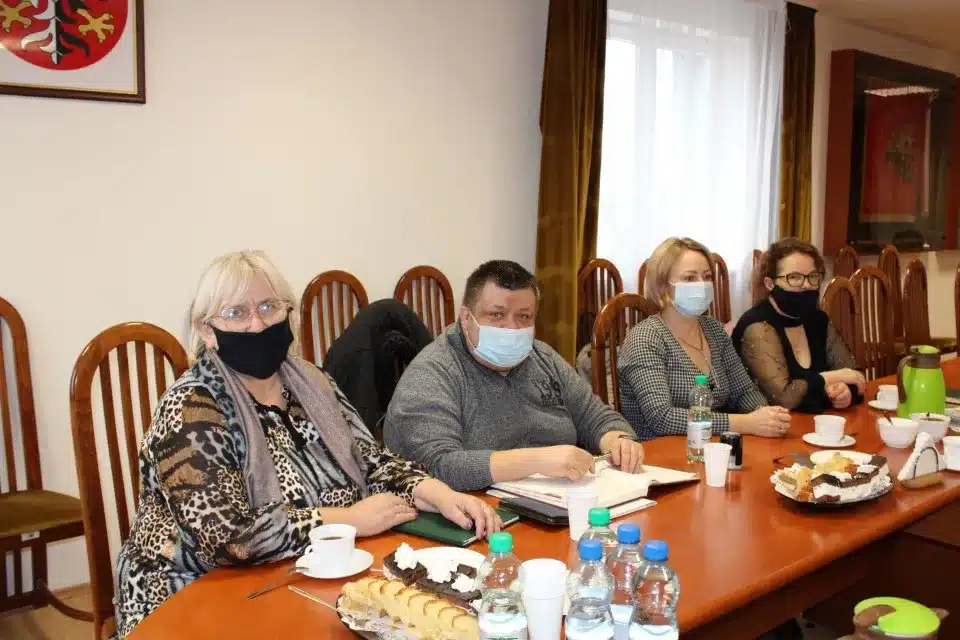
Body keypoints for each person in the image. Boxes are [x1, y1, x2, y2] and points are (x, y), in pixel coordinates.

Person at [113, 251, 499, 638]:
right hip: (190, 595)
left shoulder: (312, 383)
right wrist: (347, 519)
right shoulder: (192, 409)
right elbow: (226, 537)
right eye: (236, 313)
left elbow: (372, 462)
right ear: (207, 330)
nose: (256, 324)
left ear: (288, 312)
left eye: (268, 307)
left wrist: (436, 493)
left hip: (309, 575)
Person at [383, 260, 644, 492]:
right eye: (496, 315)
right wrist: (537, 461)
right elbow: (436, 466)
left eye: (524, 317)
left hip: (562, 497)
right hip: (473, 510)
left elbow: (594, 415)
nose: (511, 327)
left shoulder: (542, 356)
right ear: (466, 318)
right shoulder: (433, 373)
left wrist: (617, 440)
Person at [618, 237, 791, 440]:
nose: (702, 285)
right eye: (690, 278)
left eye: (707, 276)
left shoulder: (714, 330)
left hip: (711, 446)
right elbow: (662, 417)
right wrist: (746, 423)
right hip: (658, 451)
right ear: (663, 286)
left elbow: (744, 391)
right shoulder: (645, 338)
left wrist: (765, 414)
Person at [732, 238, 865, 412]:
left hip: (817, 422)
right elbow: (784, 398)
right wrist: (832, 378)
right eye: (794, 277)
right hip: (769, 425)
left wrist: (845, 392)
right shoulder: (757, 326)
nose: (807, 285)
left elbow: (854, 374)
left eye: (813, 276)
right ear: (769, 283)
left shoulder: (818, 319)